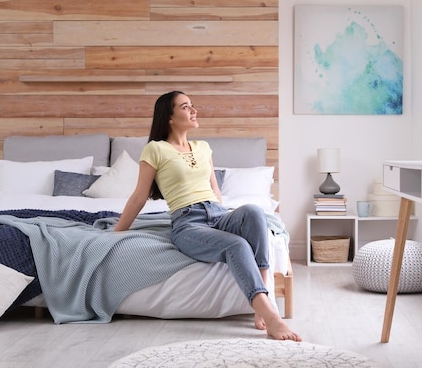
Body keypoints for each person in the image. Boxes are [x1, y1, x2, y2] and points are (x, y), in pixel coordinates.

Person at [114, 91, 301, 342]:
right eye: (185, 107)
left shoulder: (203, 148)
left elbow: (216, 191)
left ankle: (261, 300)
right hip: (187, 223)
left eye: (192, 105)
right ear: (169, 117)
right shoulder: (155, 149)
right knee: (236, 245)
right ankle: (270, 315)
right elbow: (139, 196)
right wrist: (116, 233)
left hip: (217, 213)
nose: (194, 110)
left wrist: (224, 218)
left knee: (256, 211)